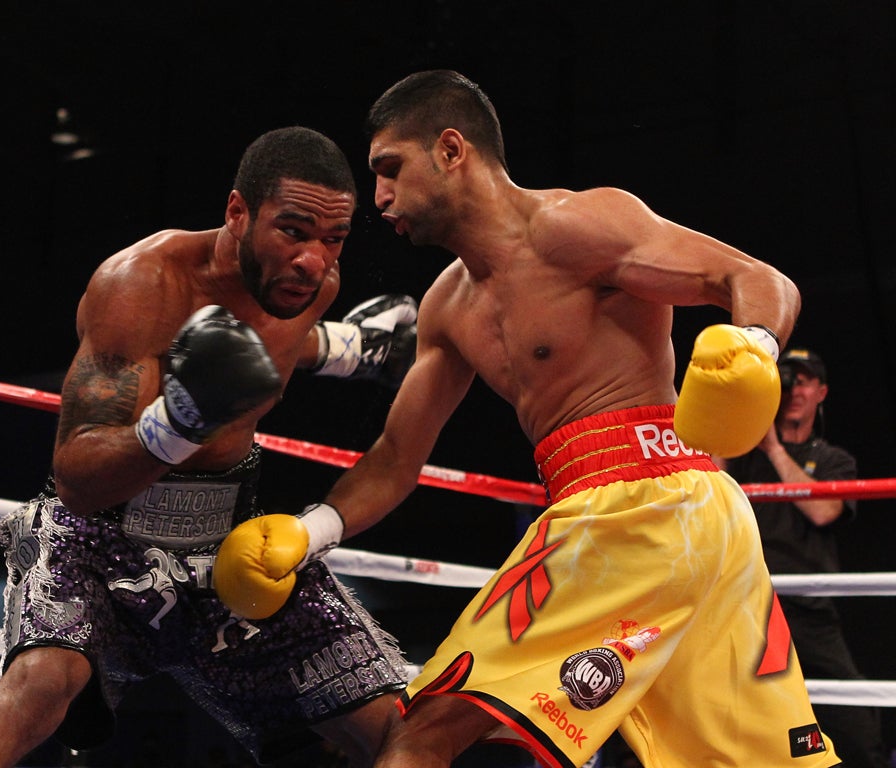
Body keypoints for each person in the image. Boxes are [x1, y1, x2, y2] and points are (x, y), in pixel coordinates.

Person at [214, 71, 842, 767]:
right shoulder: (447, 307)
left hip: (642, 514)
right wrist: (307, 532)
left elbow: (756, 280)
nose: (381, 198)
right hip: (670, 521)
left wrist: (753, 348)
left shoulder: (577, 228)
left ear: (451, 149)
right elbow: (396, 459)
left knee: (423, 733)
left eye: (390, 169)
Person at [0, 126, 419, 768]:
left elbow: (273, 347)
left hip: (227, 544)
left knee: (400, 728)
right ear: (237, 213)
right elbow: (77, 473)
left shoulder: (311, 286)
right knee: (37, 688)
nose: (314, 261)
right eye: (293, 232)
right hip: (100, 537)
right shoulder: (140, 286)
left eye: (334, 239)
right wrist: (184, 420)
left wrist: (353, 350)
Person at [726, 348, 890, 768]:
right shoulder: (743, 457)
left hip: (809, 608)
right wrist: (736, 418)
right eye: (787, 380)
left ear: (821, 392)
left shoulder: (835, 460)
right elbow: (709, 488)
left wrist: (776, 449)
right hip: (750, 608)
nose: (794, 389)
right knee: (739, 719)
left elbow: (823, 510)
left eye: (804, 380)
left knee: (854, 724)